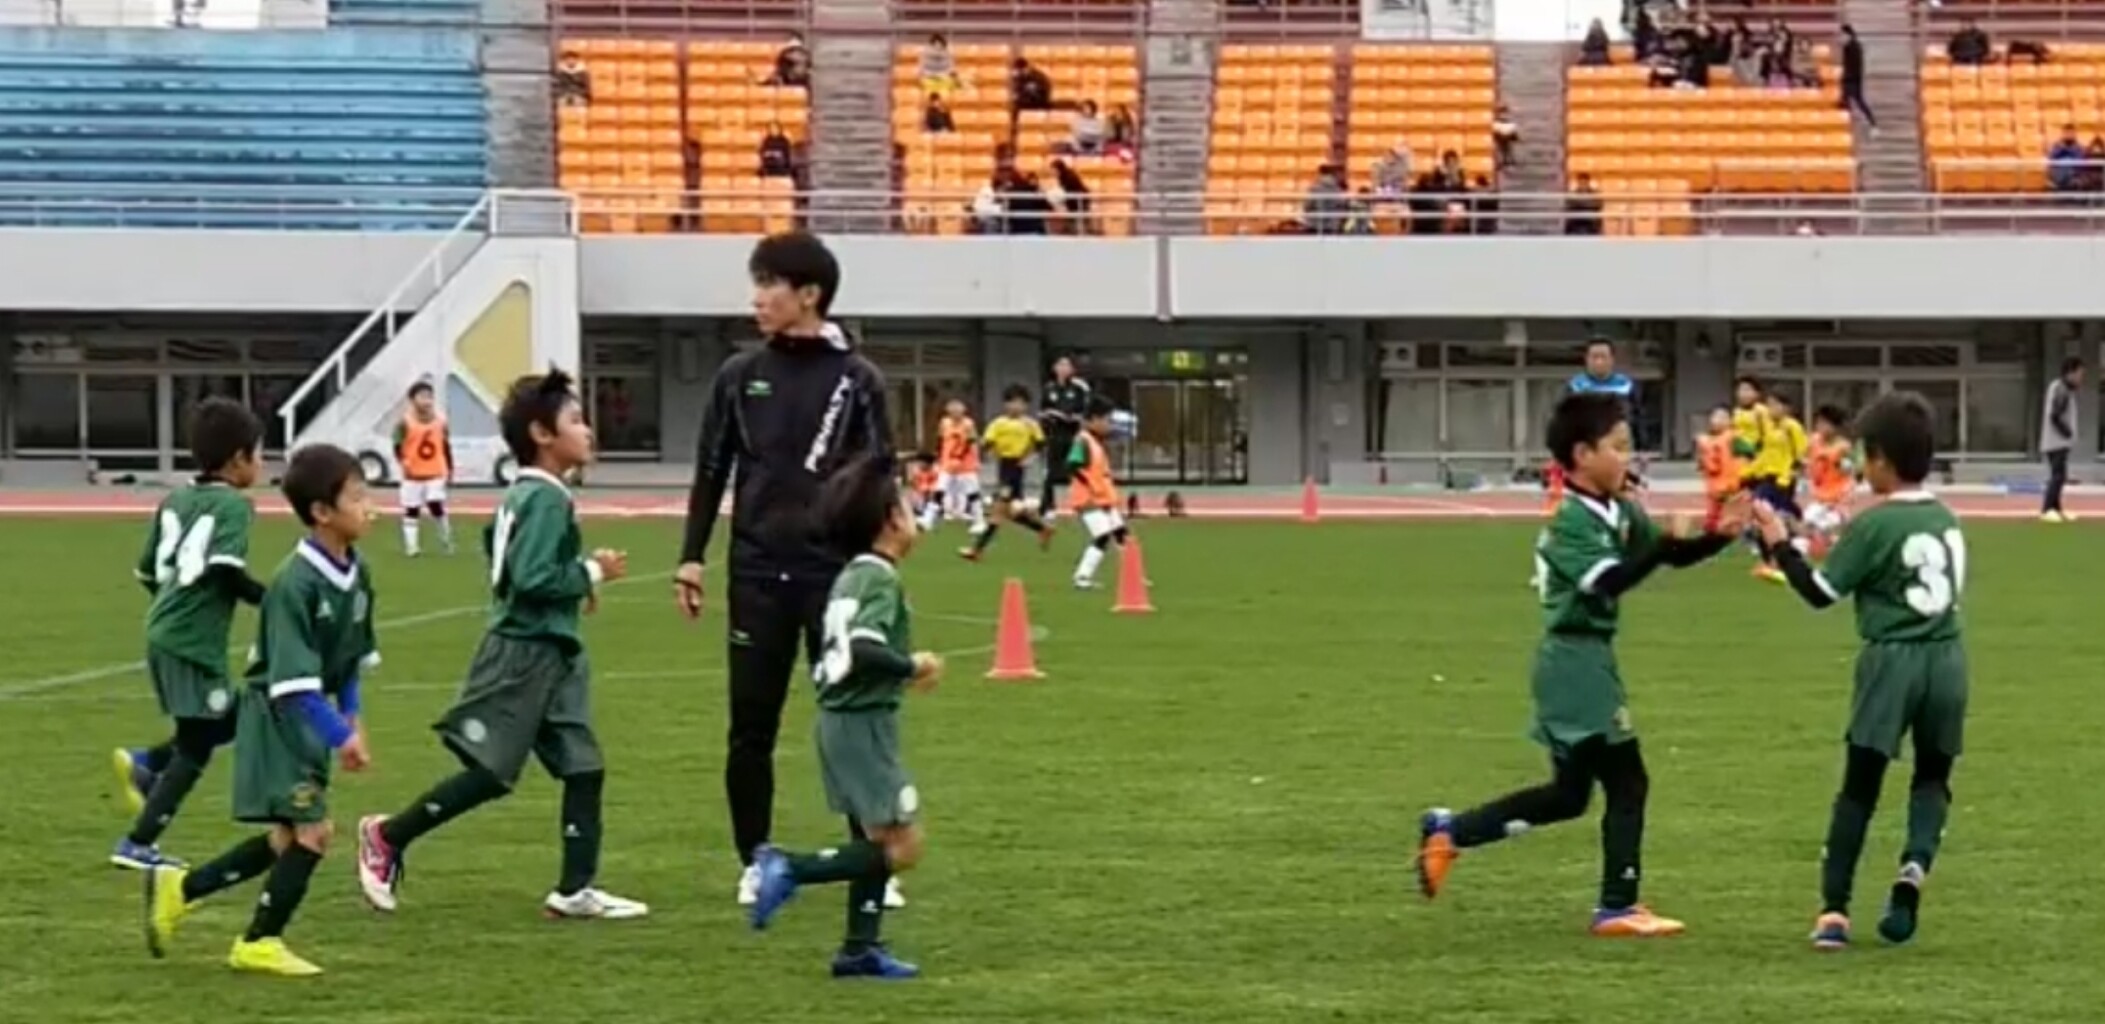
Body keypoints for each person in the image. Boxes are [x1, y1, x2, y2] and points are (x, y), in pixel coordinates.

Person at [1414, 392, 1748, 938]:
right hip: (1574, 662)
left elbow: (1665, 552)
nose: (1627, 458)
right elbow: (1608, 581)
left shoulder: (1617, 510)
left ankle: (1450, 832)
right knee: (1628, 780)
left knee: (1569, 796)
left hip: (1586, 660)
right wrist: (1664, 546)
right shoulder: (1570, 520)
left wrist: (1716, 539)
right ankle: (1617, 905)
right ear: (1582, 455)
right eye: (1618, 447)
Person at [354, 370, 647, 921]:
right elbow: (531, 578)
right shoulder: (546, 499)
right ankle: (387, 836)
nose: (587, 429)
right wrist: (590, 572)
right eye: (576, 420)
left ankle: (575, 889)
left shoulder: (526, 493)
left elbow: (501, 551)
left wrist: (573, 585)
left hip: (553, 650)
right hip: (523, 653)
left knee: (583, 767)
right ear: (541, 433)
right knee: (491, 774)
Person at [670, 231, 898, 908]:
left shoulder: (858, 379)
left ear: (809, 295)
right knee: (751, 726)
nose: (757, 298)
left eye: (769, 284)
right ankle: (755, 858)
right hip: (756, 573)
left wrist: (879, 562)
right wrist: (691, 556)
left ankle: (867, 859)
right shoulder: (739, 376)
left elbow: (880, 472)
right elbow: (712, 469)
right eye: (757, 282)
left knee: (851, 721)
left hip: (836, 577)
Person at [142, 444, 377, 977]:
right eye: (357, 496)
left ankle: (182, 889)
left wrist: (353, 718)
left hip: (307, 720)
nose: (370, 506)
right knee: (314, 832)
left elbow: (348, 659)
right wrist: (340, 735)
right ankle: (258, 941)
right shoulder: (295, 582)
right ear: (321, 511)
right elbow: (293, 686)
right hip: (277, 718)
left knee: (288, 837)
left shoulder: (357, 573)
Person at [1749, 392, 1968, 951]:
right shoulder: (1946, 518)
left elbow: (1819, 593)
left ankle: (1834, 912)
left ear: (1881, 460)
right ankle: (1914, 865)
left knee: (1859, 787)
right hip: (1948, 659)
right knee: (1932, 777)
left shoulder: (1876, 525)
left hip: (1892, 660)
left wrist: (1780, 545)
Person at [747, 454, 943, 980]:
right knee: (904, 846)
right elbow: (861, 646)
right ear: (891, 520)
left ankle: (860, 949)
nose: (914, 514)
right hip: (862, 726)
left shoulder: (852, 576)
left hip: (840, 722)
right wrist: (911, 666)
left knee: (873, 840)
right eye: (908, 506)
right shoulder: (878, 578)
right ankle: (789, 866)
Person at [112, 398, 268, 871]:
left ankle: (148, 764)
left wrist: (174, 607)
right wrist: (273, 600)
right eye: (259, 453)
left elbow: (147, 571)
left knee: (219, 723)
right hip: (191, 644)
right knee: (200, 743)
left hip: (163, 631)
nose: (262, 463)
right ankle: (137, 842)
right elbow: (224, 570)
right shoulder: (235, 506)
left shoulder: (175, 499)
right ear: (239, 458)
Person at [964, 384, 1054, 561]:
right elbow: (987, 444)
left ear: (1026, 405)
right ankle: (1042, 528)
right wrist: (977, 442)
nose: (1015, 406)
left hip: (1016, 468)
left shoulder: (1030, 424)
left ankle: (977, 550)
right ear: (1005, 404)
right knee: (1010, 512)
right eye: (1012, 402)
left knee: (998, 511)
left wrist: (1030, 458)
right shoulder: (998, 423)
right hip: (1004, 466)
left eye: (1020, 403)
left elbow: (1041, 445)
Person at [1067, 394, 1130, 590]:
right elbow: (1072, 465)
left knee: (1121, 534)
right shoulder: (1083, 440)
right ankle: (1082, 577)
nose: (1110, 425)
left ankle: (1132, 573)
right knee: (1102, 535)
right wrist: (1090, 485)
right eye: (1107, 420)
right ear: (1094, 419)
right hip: (1089, 499)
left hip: (1104, 498)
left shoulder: (1094, 441)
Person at [395, 380, 455, 557]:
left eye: (429, 397)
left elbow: (445, 445)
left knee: (435, 503)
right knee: (411, 509)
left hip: (435, 471)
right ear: (412, 400)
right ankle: (412, 547)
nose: (426, 401)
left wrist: (450, 468)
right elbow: (397, 444)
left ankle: (446, 539)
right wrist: (403, 461)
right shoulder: (404, 422)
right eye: (422, 396)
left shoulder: (440, 421)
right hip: (413, 473)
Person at [1038, 355, 1090, 517]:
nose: (1063, 368)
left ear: (1072, 369)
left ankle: (1082, 503)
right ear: (1055, 368)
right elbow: (1042, 412)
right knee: (1050, 471)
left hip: (1072, 435)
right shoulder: (1049, 389)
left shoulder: (1078, 389)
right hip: (1055, 434)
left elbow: (1084, 414)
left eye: (1067, 365)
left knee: (1077, 469)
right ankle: (1048, 506)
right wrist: (1052, 415)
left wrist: (1073, 418)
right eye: (1060, 365)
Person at [1803, 405, 1858, 555]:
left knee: (1826, 526)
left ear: (1835, 426)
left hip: (1838, 497)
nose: (1820, 427)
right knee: (1808, 522)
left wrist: (1845, 466)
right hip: (1820, 495)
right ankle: (1831, 542)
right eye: (1818, 422)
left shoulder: (1843, 447)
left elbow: (1852, 471)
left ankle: (1837, 542)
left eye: (1825, 423)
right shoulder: (1813, 441)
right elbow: (1809, 463)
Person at [2040, 356, 2082, 523]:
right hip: (2056, 442)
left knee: (2059, 475)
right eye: (2079, 374)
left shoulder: (2062, 389)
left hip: (2057, 441)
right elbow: (2055, 415)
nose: (2080, 378)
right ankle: (2047, 509)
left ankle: (2056, 509)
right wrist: (2067, 433)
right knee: (2058, 476)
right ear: (2070, 373)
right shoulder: (2061, 389)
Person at [934, 398, 984, 532]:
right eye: (952, 410)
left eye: (958, 410)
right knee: (939, 489)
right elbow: (940, 441)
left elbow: (972, 443)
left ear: (963, 410)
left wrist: (977, 460)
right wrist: (938, 458)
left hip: (966, 464)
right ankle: (929, 518)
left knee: (972, 492)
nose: (955, 413)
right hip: (947, 463)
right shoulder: (944, 423)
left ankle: (979, 521)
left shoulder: (968, 424)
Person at [1695, 405, 1742, 517]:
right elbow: (1702, 466)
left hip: (1730, 490)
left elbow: (1713, 467)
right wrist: (1702, 450)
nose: (1718, 420)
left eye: (1723, 417)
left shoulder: (1734, 439)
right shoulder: (1706, 440)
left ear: (1731, 421)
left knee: (1725, 520)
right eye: (1715, 416)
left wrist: (1705, 448)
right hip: (1714, 491)